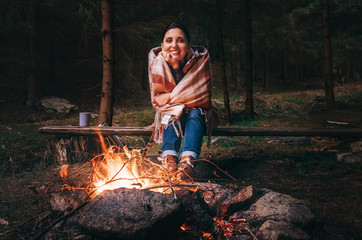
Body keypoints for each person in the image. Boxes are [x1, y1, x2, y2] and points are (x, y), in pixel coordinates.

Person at [148, 22, 218, 180]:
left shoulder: (201, 60)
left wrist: (172, 98)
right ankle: (170, 160)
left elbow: (203, 97)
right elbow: (158, 100)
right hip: (172, 113)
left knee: (194, 111)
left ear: (188, 45)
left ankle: (187, 163)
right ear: (162, 45)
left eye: (180, 40)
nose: (174, 45)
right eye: (169, 40)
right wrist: (173, 65)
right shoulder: (157, 62)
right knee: (174, 111)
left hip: (199, 113)